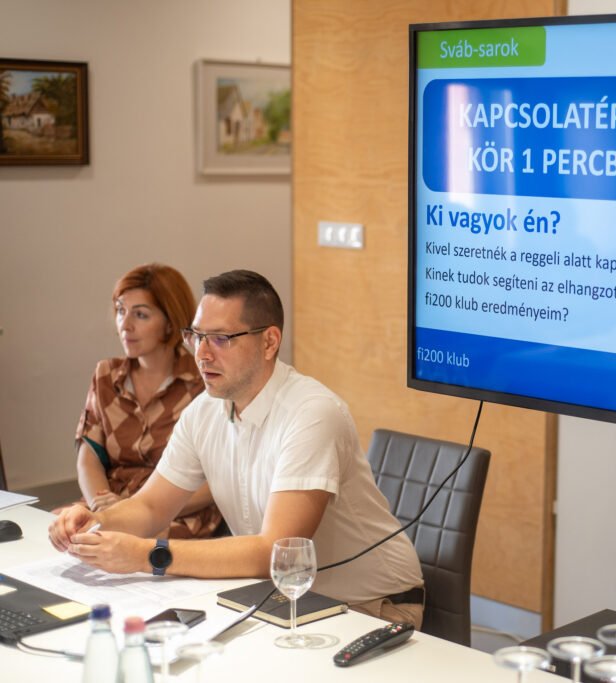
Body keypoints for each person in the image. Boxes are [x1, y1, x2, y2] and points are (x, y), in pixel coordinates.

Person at [50, 270, 425, 627]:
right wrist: (93, 522)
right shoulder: (204, 411)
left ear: (269, 342)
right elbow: (150, 507)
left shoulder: (312, 413)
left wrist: (147, 555)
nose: (202, 354)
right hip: (287, 599)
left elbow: (274, 551)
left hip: (373, 605)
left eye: (220, 339)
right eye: (197, 336)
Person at [71, 263, 222, 538]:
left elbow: (217, 481)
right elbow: (88, 459)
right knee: (61, 531)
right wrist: (102, 510)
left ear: (170, 321)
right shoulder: (106, 375)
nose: (125, 325)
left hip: (176, 514)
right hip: (109, 504)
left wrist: (131, 510)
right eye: (120, 311)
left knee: (133, 545)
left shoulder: (204, 382)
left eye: (140, 314)